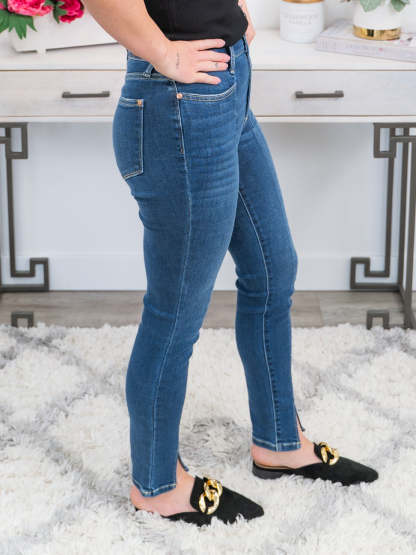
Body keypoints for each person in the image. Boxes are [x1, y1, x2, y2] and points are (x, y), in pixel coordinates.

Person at [82, 0, 378, 527]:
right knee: (174, 315)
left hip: (226, 89)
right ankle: (156, 485)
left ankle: (279, 441)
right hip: (179, 106)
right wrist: (165, 55)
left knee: (272, 270)